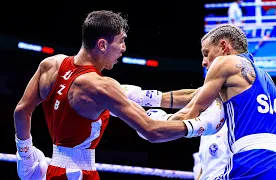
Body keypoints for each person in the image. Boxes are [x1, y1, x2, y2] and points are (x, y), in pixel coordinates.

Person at [13, 10, 221, 180]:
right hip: (80, 175)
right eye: (121, 41)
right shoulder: (102, 87)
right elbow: (152, 131)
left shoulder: (51, 65)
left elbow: (21, 111)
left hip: (53, 172)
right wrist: (200, 126)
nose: (123, 48)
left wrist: (25, 155)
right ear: (102, 44)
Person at [167, 24, 276, 179]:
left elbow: (193, 111)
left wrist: (159, 121)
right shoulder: (265, 77)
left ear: (223, 46)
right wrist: (153, 98)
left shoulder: (224, 63)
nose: (204, 62)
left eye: (206, 53)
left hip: (257, 160)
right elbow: (195, 96)